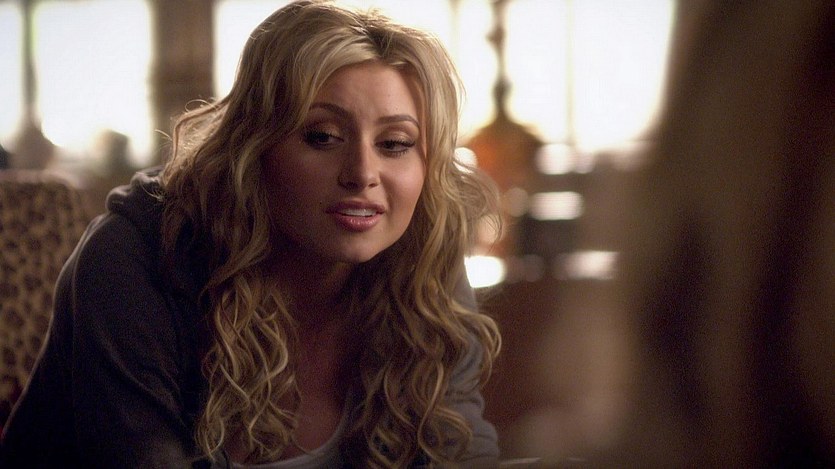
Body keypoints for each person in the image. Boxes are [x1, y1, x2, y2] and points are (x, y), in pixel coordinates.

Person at [0, 1, 502, 467]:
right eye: (322, 136)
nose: (362, 174)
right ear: (252, 148)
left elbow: (462, 453)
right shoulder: (133, 259)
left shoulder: (422, 256)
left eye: (394, 143)